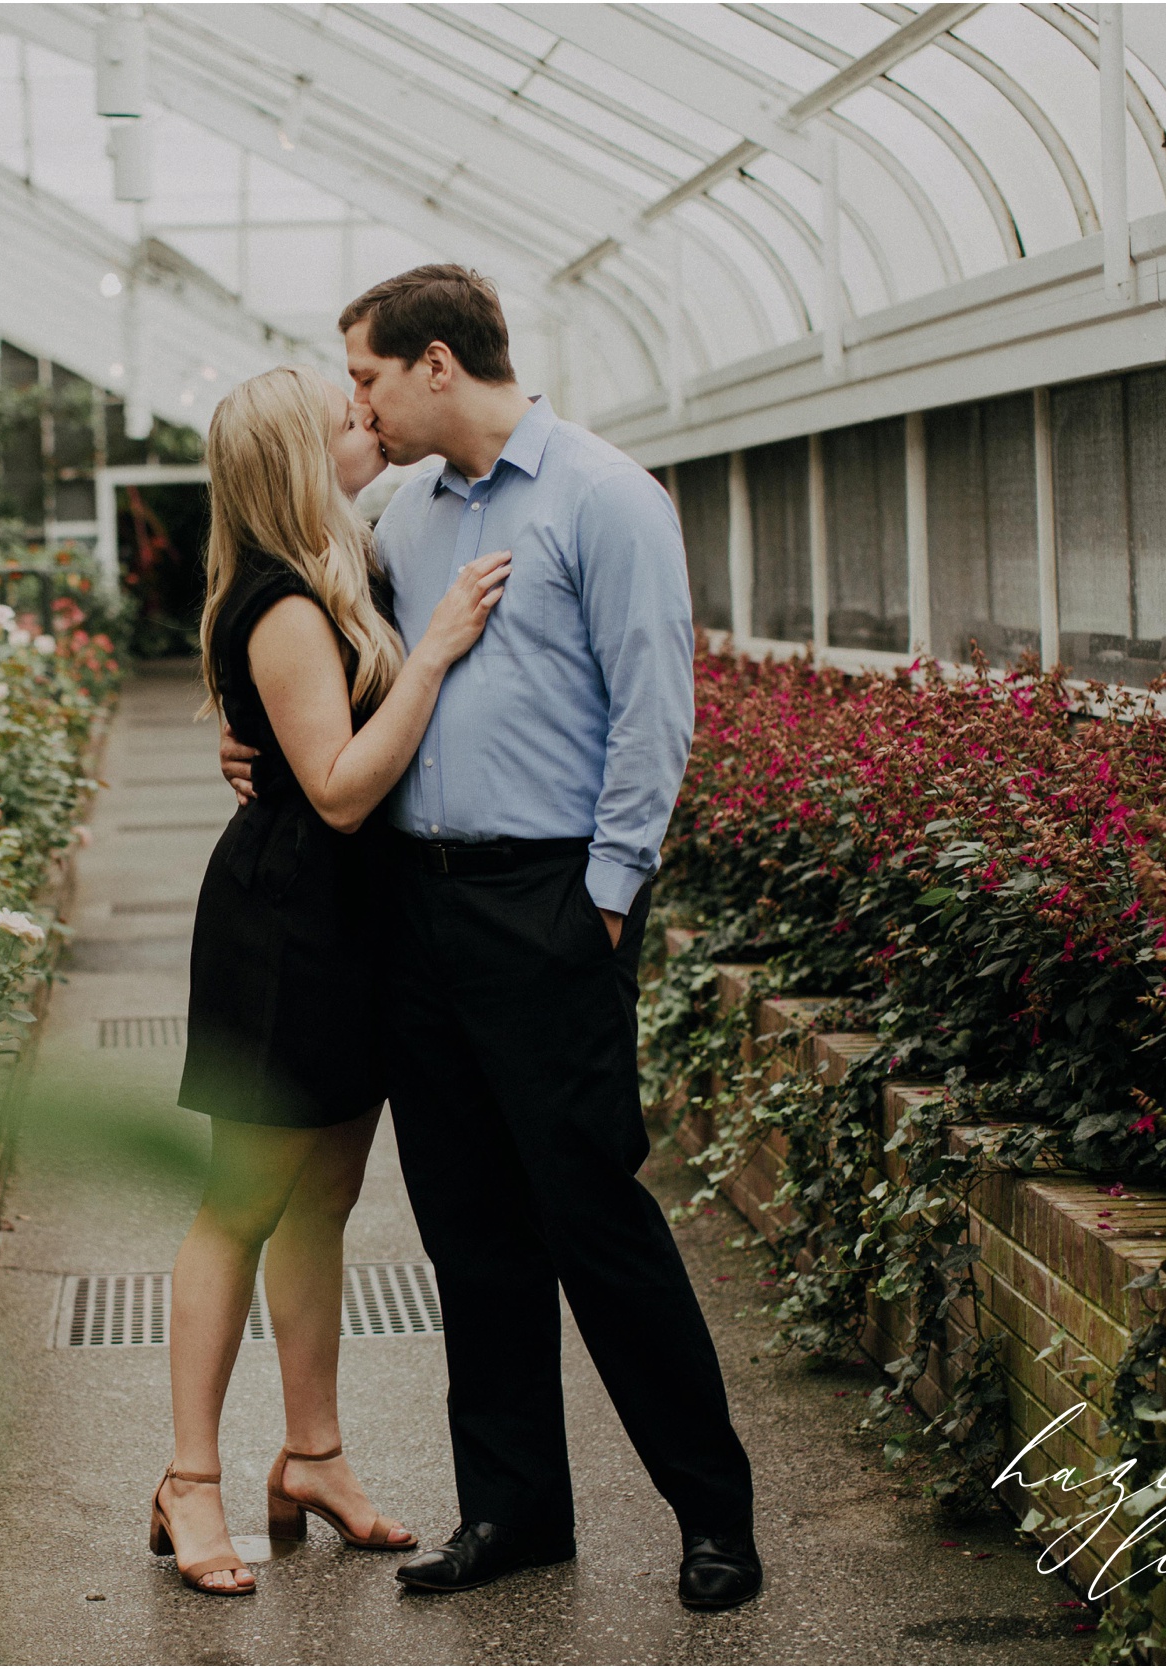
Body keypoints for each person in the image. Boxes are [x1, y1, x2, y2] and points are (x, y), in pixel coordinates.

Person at [221, 265, 763, 1610]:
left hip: (549, 903)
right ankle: (516, 1510)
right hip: (415, 902)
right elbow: (314, 654)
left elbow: (656, 713)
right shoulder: (400, 519)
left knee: (594, 1214)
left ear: (438, 365)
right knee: (467, 1225)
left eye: (366, 377)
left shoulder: (604, 498)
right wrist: (248, 738)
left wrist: (607, 893)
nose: (356, 405)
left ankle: (714, 1514)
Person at [152, 364, 513, 1597]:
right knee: (240, 1204)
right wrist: (438, 653)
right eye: (343, 420)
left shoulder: (340, 563)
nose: (366, 424)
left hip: (350, 926)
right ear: (298, 463)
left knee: (322, 1204)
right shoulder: (286, 604)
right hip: (284, 934)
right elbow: (343, 786)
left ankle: (312, 1455)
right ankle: (189, 1482)